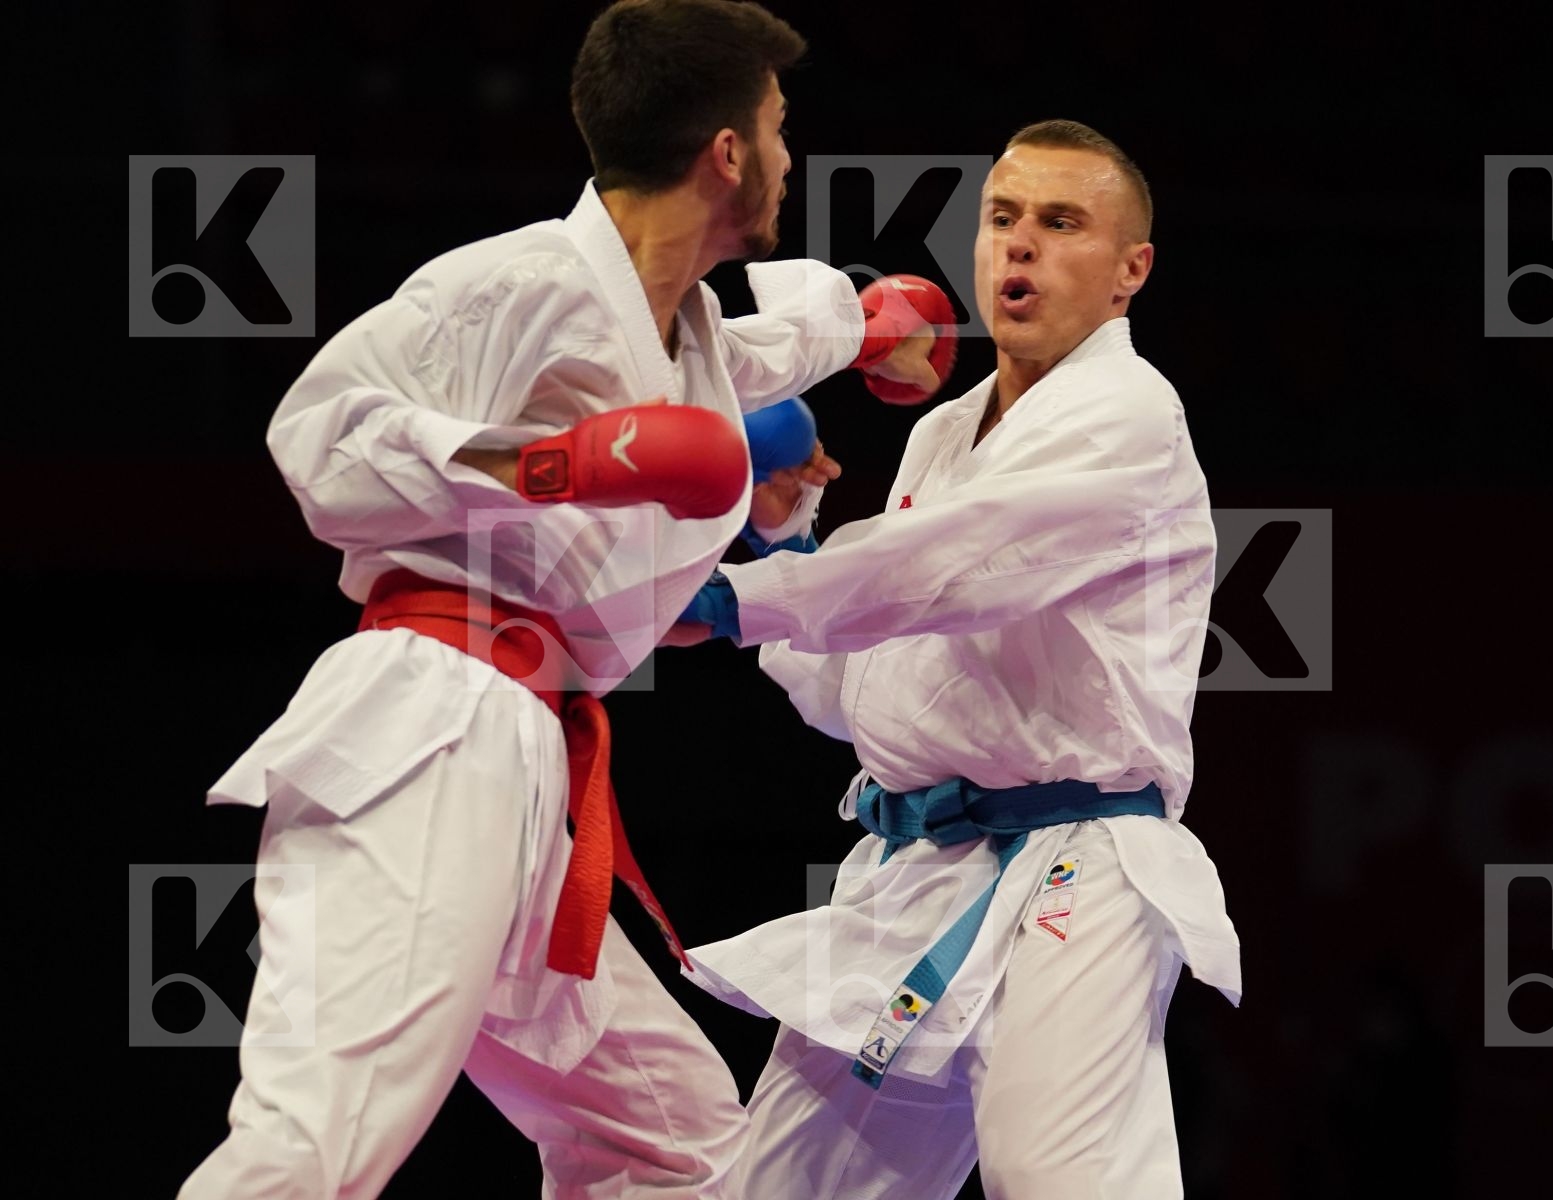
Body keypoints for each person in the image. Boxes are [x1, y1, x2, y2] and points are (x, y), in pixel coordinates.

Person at [178, 2, 954, 1196]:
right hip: (430, 727)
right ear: (730, 151)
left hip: (531, 764)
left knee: (677, 1149)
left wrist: (875, 321)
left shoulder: (683, 335)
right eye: (781, 129)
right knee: (316, 1139)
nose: (794, 159)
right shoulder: (519, 282)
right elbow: (319, 438)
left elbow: (767, 349)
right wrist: (559, 463)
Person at [671, 119, 1243, 1199]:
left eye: (1060, 223)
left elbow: (956, 563)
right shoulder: (943, 435)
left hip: (1077, 867)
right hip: (918, 880)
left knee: (1058, 1178)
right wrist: (785, 545)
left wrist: (744, 600)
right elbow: (867, 692)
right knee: (781, 1189)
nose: (1018, 246)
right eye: (1002, 219)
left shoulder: (1130, 415)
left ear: (1132, 271)